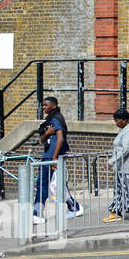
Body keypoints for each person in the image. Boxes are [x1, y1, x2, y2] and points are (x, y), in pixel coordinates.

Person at [32, 96, 82, 225]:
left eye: (46, 105)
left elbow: (60, 138)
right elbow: (42, 140)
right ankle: (74, 207)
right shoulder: (49, 120)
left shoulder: (57, 118)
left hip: (52, 157)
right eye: (42, 105)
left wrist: (54, 158)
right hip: (48, 155)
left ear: (53, 106)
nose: (43, 107)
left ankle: (37, 213)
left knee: (42, 185)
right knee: (57, 185)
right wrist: (47, 133)